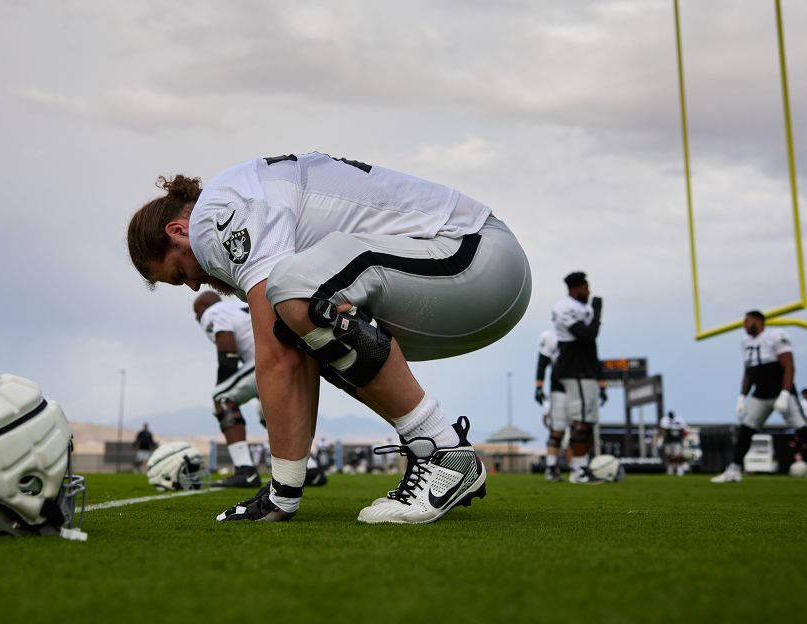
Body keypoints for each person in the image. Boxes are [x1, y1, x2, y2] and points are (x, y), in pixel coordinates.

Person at [127, 152, 531, 523]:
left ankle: (446, 452)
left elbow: (275, 355)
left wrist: (281, 495)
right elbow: (289, 344)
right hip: (471, 278)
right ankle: (434, 448)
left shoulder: (215, 216)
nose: (195, 286)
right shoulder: (240, 194)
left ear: (179, 230)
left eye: (180, 274)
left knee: (293, 289)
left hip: (476, 257)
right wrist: (282, 492)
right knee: (303, 323)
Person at [193, 291, 326, 488]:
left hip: (269, 360)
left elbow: (227, 354)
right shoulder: (235, 308)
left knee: (221, 397)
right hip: (293, 357)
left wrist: (222, 386)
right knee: (264, 410)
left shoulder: (212, 312)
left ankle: (244, 470)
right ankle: (310, 468)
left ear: (201, 311)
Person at [711, 311, 807, 484]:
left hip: (781, 391)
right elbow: (749, 372)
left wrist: (785, 393)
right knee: (745, 431)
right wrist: (742, 397)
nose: (744, 325)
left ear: (758, 321)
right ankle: (734, 470)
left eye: (747, 321)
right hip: (761, 394)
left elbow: (788, 366)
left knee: (803, 431)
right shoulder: (745, 342)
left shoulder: (775, 336)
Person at [551, 272, 608, 484]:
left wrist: (599, 374)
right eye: (586, 287)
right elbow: (586, 335)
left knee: (588, 420)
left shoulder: (583, 307)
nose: (589, 291)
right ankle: (578, 470)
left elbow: (592, 343)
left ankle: (582, 466)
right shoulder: (564, 306)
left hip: (586, 369)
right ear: (575, 288)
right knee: (581, 421)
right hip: (574, 369)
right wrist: (598, 314)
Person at [533, 328, 566, 482]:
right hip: (559, 390)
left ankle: (578, 468)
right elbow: (542, 363)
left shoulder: (584, 336)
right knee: (557, 431)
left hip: (577, 388)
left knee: (578, 432)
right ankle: (552, 467)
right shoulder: (551, 338)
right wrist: (539, 387)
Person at [656, 410, 688, 475]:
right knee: (669, 455)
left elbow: (684, 430)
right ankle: (670, 468)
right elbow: (662, 430)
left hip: (677, 441)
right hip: (668, 440)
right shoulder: (665, 420)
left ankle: (679, 468)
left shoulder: (679, 420)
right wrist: (659, 438)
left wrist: (684, 438)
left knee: (678, 455)